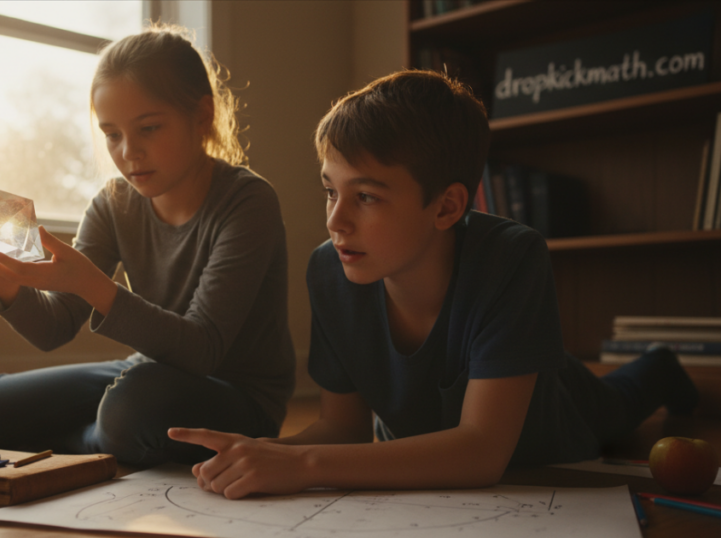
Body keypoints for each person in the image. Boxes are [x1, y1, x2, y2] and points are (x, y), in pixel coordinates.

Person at [169, 70, 699, 498]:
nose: (336, 221)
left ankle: (661, 363)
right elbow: (343, 427)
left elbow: (482, 451)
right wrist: (267, 453)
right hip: (443, 431)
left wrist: (304, 463)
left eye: (367, 197)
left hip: (561, 419)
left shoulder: (513, 255)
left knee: (623, 399)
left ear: (446, 206)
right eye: (331, 191)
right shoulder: (330, 270)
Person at [0, 25, 295, 467]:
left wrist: (91, 284)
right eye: (112, 134)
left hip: (234, 396)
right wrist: (8, 278)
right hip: (144, 374)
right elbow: (54, 328)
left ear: (201, 117)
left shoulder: (247, 200)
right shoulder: (114, 203)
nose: (128, 153)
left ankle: (91, 444)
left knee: (133, 405)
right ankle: (101, 443)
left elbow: (204, 349)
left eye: (148, 128)